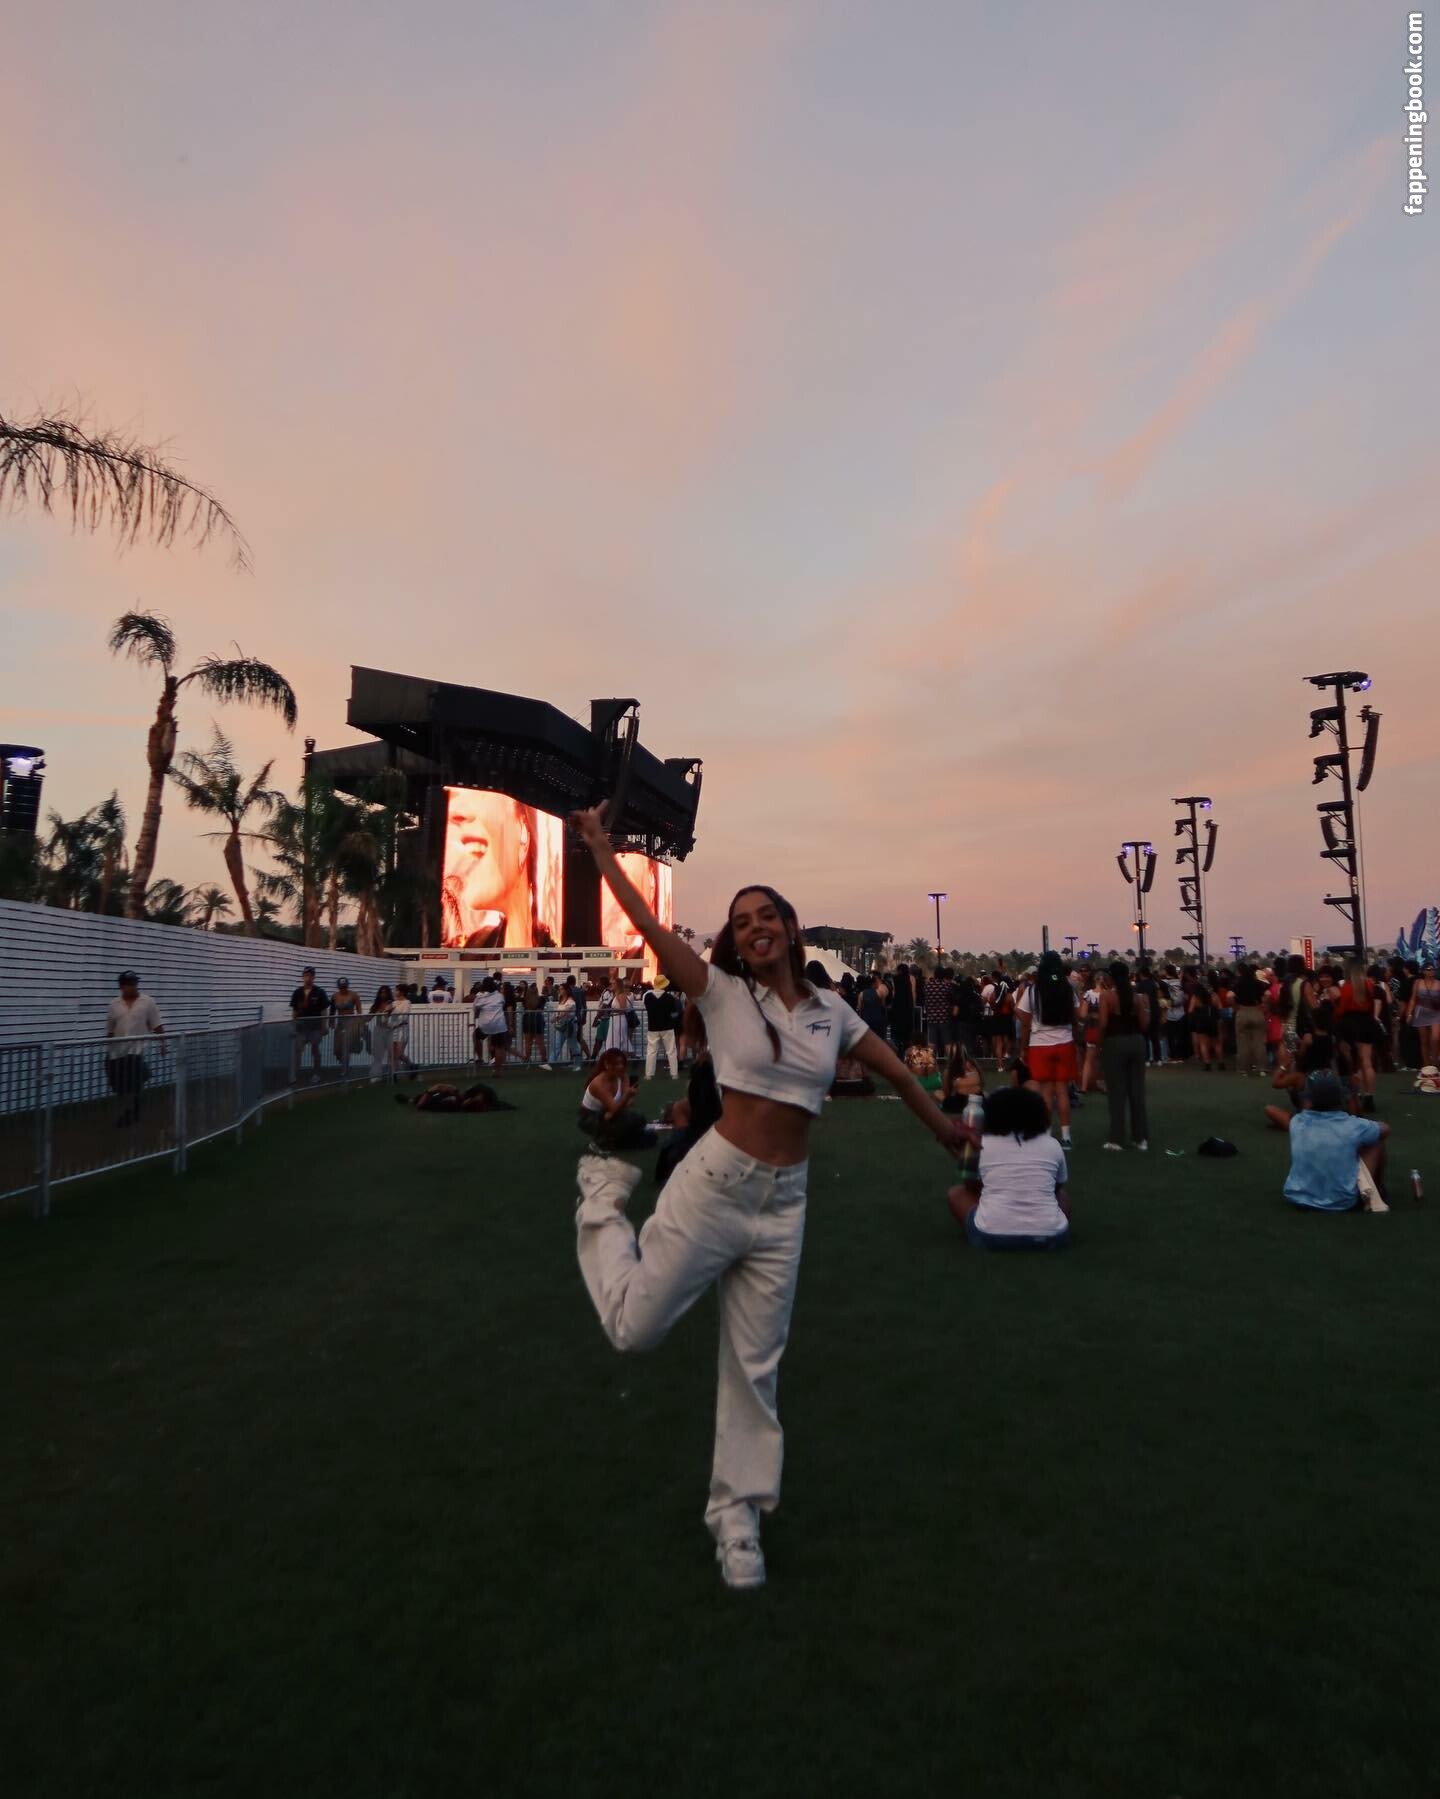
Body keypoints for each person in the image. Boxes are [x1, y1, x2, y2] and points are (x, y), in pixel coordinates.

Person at [569, 803, 971, 1592]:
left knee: (754, 1367)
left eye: (765, 915)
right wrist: (599, 847)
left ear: (789, 928)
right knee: (633, 1329)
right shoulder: (721, 992)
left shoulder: (831, 1012)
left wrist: (944, 1130)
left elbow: (896, 1071)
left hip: (786, 1203)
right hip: (716, 1184)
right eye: (740, 920)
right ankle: (600, 1202)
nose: (753, 927)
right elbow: (648, 925)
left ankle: (738, 1518)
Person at [947, 1086, 1070, 1249]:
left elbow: (970, 1186)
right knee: (1062, 1196)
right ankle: (1046, 1226)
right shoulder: (1052, 1144)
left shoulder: (983, 1144)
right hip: (1052, 1238)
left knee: (956, 1194)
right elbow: (1056, 1188)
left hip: (990, 1237)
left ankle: (996, 1223)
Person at [441, 787, 558, 949]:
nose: (453, 812)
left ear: (523, 833)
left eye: (479, 792)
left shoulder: (552, 950)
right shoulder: (476, 946)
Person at [1283, 1072, 1389, 1213]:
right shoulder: (1352, 1125)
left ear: (1309, 1098)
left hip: (1297, 1196)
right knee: (1375, 1141)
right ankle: (1377, 1190)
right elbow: (1385, 1129)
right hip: (1342, 1201)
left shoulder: (1296, 1122)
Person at [1016, 950, 1077, 1149]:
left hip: (1040, 1045)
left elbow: (1020, 1013)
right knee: (1062, 1092)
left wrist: (1031, 1030)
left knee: (1046, 1094)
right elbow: (1076, 1013)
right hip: (1065, 1042)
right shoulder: (1067, 988)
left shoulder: (1033, 990)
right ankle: (1066, 1136)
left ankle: (1047, 1135)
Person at [1099, 960, 1149, 1152]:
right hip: (1137, 1042)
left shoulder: (1107, 996)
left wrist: (1100, 1044)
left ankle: (1117, 1139)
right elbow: (1144, 1024)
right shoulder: (1137, 997)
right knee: (1137, 1092)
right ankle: (1140, 1138)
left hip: (1115, 1043)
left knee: (1116, 1093)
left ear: (1111, 977)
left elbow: (1103, 1024)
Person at [105, 971, 164, 1127]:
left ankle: (129, 1112)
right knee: (119, 1084)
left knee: (132, 1081)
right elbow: (110, 1028)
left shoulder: (147, 1002)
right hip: (116, 1051)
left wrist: (162, 1043)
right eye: (129, 984)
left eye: (135, 983)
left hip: (135, 1050)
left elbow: (157, 1024)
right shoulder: (114, 1004)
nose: (133, 987)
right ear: (122, 986)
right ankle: (134, 1104)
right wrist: (108, 1046)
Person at [578, 1047, 660, 1151]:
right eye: (616, 1064)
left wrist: (628, 1098)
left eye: (622, 1063)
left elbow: (627, 1104)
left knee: (640, 1119)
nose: (620, 1066)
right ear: (607, 1064)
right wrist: (626, 1098)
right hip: (591, 1117)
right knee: (625, 1122)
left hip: (609, 1113)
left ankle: (613, 1141)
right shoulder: (599, 1084)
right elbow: (616, 1108)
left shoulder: (623, 1076)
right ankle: (600, 1141)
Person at [1333, 958, 1384, 1111]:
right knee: (1367, 1062)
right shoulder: (1369, 985)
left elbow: (1341, 1010)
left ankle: (1356, 1095)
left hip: (1351, 1024)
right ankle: (1369, 1096)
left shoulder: (1347, 987)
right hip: (1367, 1023)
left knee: (1355, 1062)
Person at [290, 966, 328, 1083]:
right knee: (297, 1050)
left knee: (315, 1049)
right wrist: (293, 1026)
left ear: (314, 977)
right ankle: (294, 1075)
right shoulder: (297, 992)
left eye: (310, 975)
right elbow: (294, 1011)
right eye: (306, 975)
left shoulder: (320, 992)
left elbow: (324, 1011)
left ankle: (317, 1073)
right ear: (303, 977)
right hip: (301, 1027)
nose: (308, 977)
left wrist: (324, 1026)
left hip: (315, 1027)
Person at [1232, 963, 1268, 1077]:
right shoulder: (1258, 984)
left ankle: (1244, 1069)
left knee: (1243, 1043)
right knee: (1259, 1042)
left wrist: (1235, 1007)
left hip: (1242, 1011)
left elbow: (1229, 996)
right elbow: (1268, 994)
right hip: (1256, 1011)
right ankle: (1262, 1069)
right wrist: (1263, 1005)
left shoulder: (1238, 984)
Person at [643, 977, 682, 1079]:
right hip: (667, 1027)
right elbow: (674, 1014)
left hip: (653, 1027)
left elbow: (648, 1009)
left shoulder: (648, 997)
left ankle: (649, 1074)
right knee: (671, 1051)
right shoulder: (670, 998)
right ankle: (674, 1073)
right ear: (665, 985)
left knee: (651, 1052)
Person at [1406, 964, 1440, 1073]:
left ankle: (1435, 1063)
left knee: (1435, 1038)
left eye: (1433, 969)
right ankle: (1426, 1066)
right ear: (1423, 971)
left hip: (1436, 1013)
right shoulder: (1418, 982)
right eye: (1428, 969)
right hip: (1421, 1013)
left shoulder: (1438, 983)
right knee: (1424, 1041)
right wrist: (1409, 1013)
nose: (1431, 971)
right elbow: (1413, 999)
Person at [472, 977, 509, 1074]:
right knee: (499, 1047)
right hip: (499, 1024)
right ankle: (497, 1070)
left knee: (476, 1036)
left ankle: (480, 1058)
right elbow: (502, 1004)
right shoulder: (500, 996)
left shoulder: (480, 998)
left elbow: (476, 1012)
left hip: (486, 1025)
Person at [1188, 980, 1223, 1071]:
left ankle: (1207, 1063)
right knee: (1216, 1043)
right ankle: (1220, 1063)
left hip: (1201, 1021)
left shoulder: (1196, 997)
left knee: (1203, 1043)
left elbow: (1190, 1011)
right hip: (1213, 1020)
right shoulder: (1214, 995)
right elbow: (1220, 1008)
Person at [330, 977, 363, 1074]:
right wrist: (331, 1022)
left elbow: (359, 1011)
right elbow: (332, 1011)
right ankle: (343, 1062)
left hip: (350, 1022)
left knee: (346, 1046)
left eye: (344, 987)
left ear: (347, 986)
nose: (343, 989)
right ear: (338, 987)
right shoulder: (335, 996)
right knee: (337, 1048)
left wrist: (360, 1025)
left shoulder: (354, 995)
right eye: (341, 987)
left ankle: (345, 1069)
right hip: (340, 1022)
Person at [368, 986, 395, 1083]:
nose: (383, 994)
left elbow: (390, 1017)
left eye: (385, 992)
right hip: (379, 1030)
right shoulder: (376, 1004)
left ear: (388, 993)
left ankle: (392, 1074)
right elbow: (369, 1017)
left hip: (389, 1030)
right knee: (377, 1054)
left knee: (392, 1054)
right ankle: (376, 1075)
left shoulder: (391, 1004)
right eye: (381, 992)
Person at [519, 981, 548, 1070]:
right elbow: (541, 1009)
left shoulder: (525, 1000)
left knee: (528, 1042)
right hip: (538, 1019)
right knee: (540, 1042)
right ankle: (544, 1061)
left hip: (527, 1019)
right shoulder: (541, 999)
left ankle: (527, 1061)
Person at [552, 980, 580, 1066]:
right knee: (557, 1045)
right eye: (559, 989)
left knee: (573, 1045)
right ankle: (551, 1062)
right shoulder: (561, 1000)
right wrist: (556, 1017)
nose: (559, 990)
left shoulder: (571, 1001)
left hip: (569, 1025)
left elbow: (566, 1011)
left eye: (561, 989)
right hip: (561, 1025)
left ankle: (578, 1063)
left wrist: (556, 1018)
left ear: (566, 990)